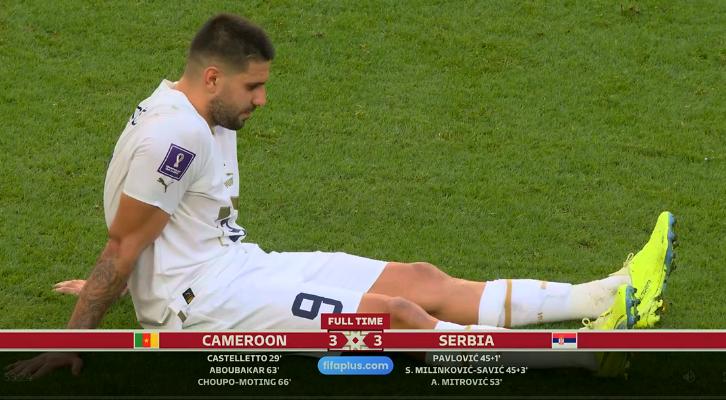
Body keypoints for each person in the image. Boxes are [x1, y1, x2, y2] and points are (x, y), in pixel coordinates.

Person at [4, 13, 677, 380]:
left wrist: (132, 277)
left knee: (420, 279)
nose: (262, 100)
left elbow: (153, 226)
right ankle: (580, 354)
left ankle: (609, 295)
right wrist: (75, 336)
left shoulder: (196, 114)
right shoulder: (175, 137)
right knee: (396, 314)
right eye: (253, 88)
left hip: (234, 268)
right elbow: (124, 242)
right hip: (203, 307)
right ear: (212, 78)